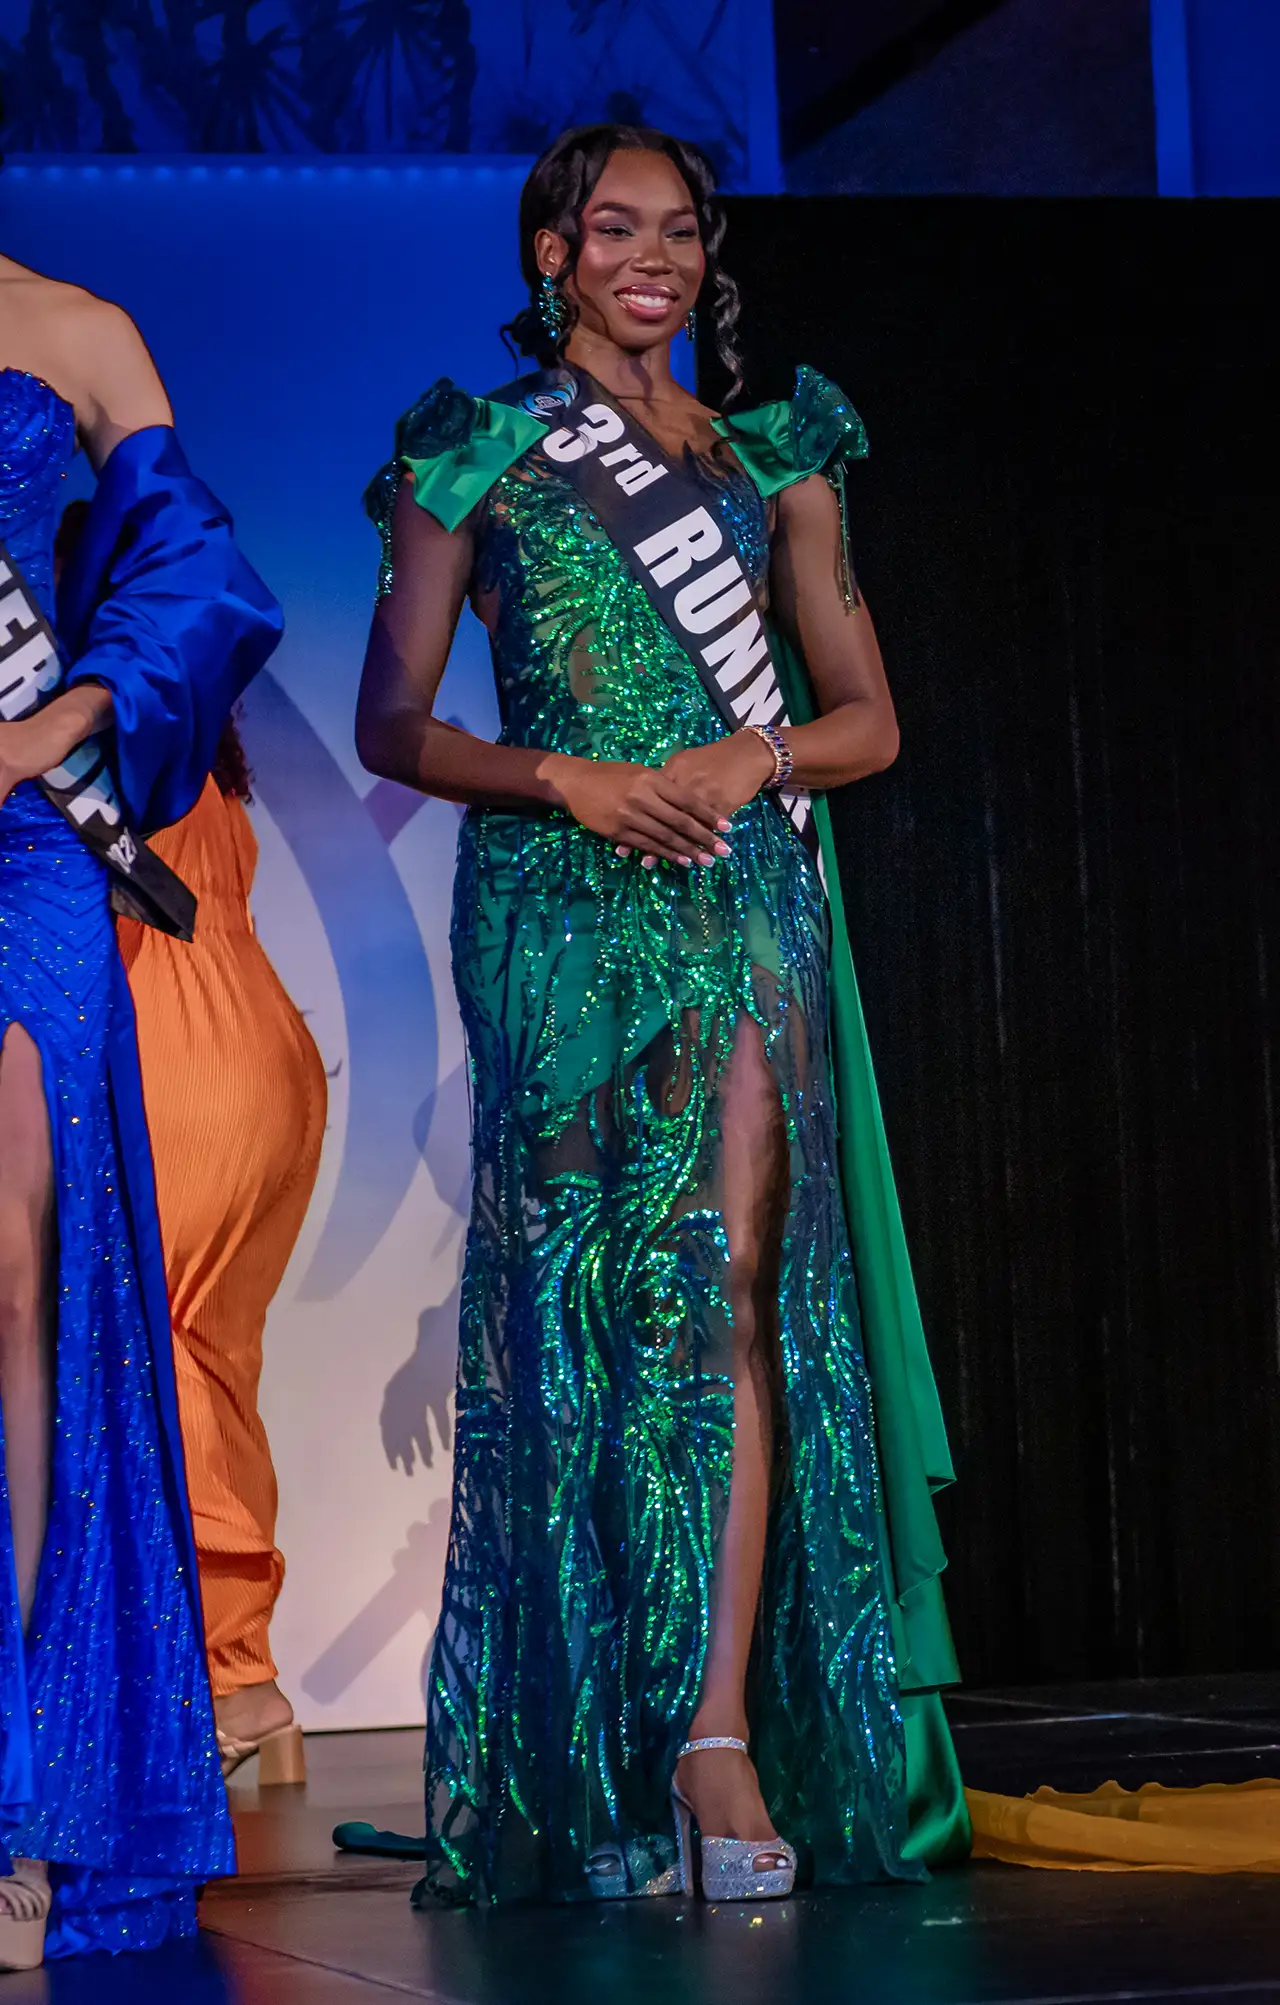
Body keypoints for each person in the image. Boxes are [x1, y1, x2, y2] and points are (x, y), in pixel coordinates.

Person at [356, 124, 969, 1906]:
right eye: (612, 227)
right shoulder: (474, 450)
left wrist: (747, 755)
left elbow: (867, 721)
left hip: (738, 894)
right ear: (550, 251)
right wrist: (570, 778)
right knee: (576, 1317)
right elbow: (395, 724)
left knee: (728, 1296)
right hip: (556, 908)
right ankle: (588, 1756)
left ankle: (715, 1740)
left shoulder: (779, 454)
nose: (654, 257)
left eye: (680, 230)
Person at [1, 258, 281, 1966]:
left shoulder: (76, 332)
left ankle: (24, 1798)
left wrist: (64, 715)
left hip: (20, 842)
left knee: (17, 1277)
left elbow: (197, 569)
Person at [113, 707, 326, 1785]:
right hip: (257, 1041)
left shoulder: (99, 711)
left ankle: (231, 1678)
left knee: (162, 1352)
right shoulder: (181, 718)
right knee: (208, 1356)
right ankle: (245, 1677)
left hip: (180, 1050)